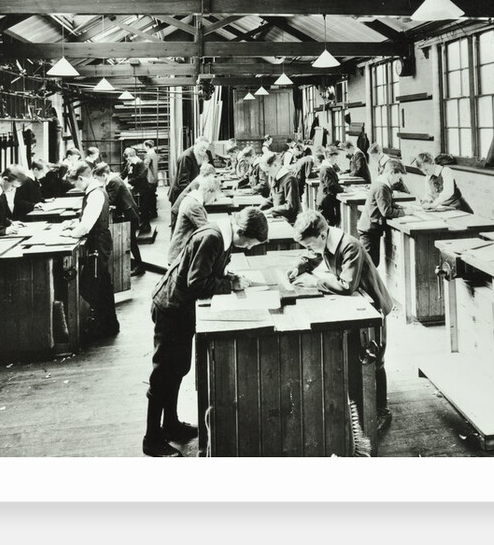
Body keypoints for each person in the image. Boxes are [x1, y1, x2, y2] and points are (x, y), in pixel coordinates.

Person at [143, 207, 269, 457]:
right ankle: (152, 438)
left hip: (181, 310)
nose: (249, 248)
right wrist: (229, 285)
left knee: (178, 369)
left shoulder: (224, 235)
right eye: (251, 244)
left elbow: (210, 270)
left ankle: (170, 424)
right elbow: (197, 282)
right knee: (163, 374)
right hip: (171, 308)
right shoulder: (212, 238)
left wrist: (230, 277)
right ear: (243, 233)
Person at [287, 211, 394, 434]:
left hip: (373, 306)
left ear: (323, 235)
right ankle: (361, 402)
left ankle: (382, 411)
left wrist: (317, 282)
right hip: (358, 305)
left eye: (309, 244)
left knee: (375, 359)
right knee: (358, 356)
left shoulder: (350, 246)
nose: (309, 249)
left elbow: (346, 286)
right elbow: (314, 255)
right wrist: (300, 266)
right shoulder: (326, 240)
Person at [61, 163, 118, 338]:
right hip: (98, 241)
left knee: (92, 285)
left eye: (75, 183)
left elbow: (86, 225)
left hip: (98, 243)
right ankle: (107, 323)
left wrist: (72, 233)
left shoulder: (95, 195)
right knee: (100, 284)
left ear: (81, 178)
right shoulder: (95, 191)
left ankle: (106, 326)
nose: (75, 187)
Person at [93, 163, 145, 277]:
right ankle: (138, 264)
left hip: (129, 213)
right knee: (131, 241)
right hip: (130, 211)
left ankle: (140, 266)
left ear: (104, 175)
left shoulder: (113, 182)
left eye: (97, 178)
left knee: (131, 242)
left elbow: (111, 199)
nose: (97, 181)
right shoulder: (114, 179)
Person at [357, 159, 408, 266]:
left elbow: (385, 203)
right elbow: (386, 211)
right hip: (369, 230)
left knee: (372, 263)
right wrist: (404, 212)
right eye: (398, 177)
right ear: (391, 173)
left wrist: (398, 207)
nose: (398, 180)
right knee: (368, 264)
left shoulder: (382, 184)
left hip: (371, 228)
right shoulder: (382, 187)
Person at [168, 175, 221, 263]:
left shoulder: (193, 199)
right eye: (214, 199)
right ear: (209, 191)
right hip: (179, 257)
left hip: (182, 253)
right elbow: (208, 230)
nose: (212, 202)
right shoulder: (193, 205)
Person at [170, 162, 216, 231]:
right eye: (213, 176)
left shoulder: (199, 179)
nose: (213, 179)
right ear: (207, 174)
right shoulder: (198, 183)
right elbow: (196, 201)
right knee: (179, 230)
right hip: (177, 210)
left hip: (183, 207)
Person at [259, 151, 301, 225]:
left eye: (267, 171)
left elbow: (290, 206)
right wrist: (258, 209)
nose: (266, 174)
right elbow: (272, 199)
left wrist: (270, 211)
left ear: (275, 165)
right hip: (280, 218)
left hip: (291, 222)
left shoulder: (290, 179)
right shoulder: (275, 178)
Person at [168, 136, 213, 205]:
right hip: (179, 194)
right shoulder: (186, 157)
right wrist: (197, 194)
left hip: (189, 191)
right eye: (202, 148)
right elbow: (183, 182)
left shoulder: (202, 154)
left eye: (205, 149)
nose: (204, 151)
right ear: (195, 145)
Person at [124, 147, 152, 233]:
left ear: (132, 155)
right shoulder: (129, 163)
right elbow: (124, 173)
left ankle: (146, 225)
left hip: (143, 188)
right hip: (135, 188)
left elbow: (141, 176)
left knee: (144, 208)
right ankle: (140, 224)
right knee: (138, 207)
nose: (127, 160)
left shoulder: (140, 163)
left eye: (128, 158)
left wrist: (129, 181)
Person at [316, 146, 344, 227]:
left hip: (328, 199)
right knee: (322, 225)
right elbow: (331, 185)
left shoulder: (329, 167)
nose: (336, 160)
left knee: (332, 221)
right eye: (335, 158)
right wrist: (343, 190)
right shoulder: (326, 168)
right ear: (329, 156)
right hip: (325, 200)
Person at [142, 140, 160, 220]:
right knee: (153, 196)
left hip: (149, 178)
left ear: (148, 146)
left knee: (148, 197)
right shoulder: (155, 154)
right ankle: (154, 212)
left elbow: (145, 166)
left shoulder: (148, 155)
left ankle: (150, 213)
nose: (144, 148)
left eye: (144, 146)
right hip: (154, 178)